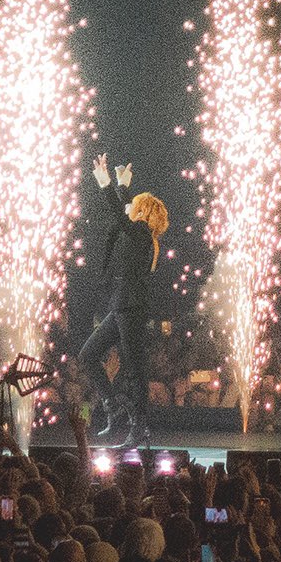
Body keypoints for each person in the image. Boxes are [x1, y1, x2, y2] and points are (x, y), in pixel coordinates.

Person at [78, 152, 169, 448]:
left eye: (136, 207)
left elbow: (121, 214)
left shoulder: (143, 234)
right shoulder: (138, 234)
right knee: (88, 355)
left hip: (131, 307)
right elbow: (123, 212)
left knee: (134, 367)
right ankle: (114, 406)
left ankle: (138, 425)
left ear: (143, 214)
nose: (131, 208)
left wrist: (107, 183)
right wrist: (122, 185)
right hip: (121, 306)